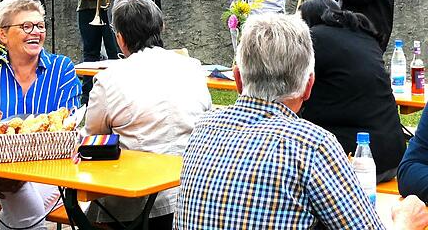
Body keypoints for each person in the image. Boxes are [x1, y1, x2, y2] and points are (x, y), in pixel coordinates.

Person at [173, 13, 426, 229]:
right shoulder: (313, 146)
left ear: (238, 81)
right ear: (308, 86)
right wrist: (405, 222)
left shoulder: (203, 129)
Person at [85, 0, 211, 229]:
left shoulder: (109, 79)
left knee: (84, 211)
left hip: (134, 203)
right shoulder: (192, 67)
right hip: (193, 192)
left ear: (120, 38)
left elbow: (93, 138)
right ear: (161, 26)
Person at [0, 0, 82, 230]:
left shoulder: (62, 69)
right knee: (15, 190)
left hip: (49, 169)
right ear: (3, 35)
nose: (36, 32)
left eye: (40, 26)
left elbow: (66, 129)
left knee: (19, 208)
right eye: (26, 26)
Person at [299, 0, 404, 182]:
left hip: (357, 161)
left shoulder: (314, 38)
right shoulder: (363, 36)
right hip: (393, 153)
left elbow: (291, 90)